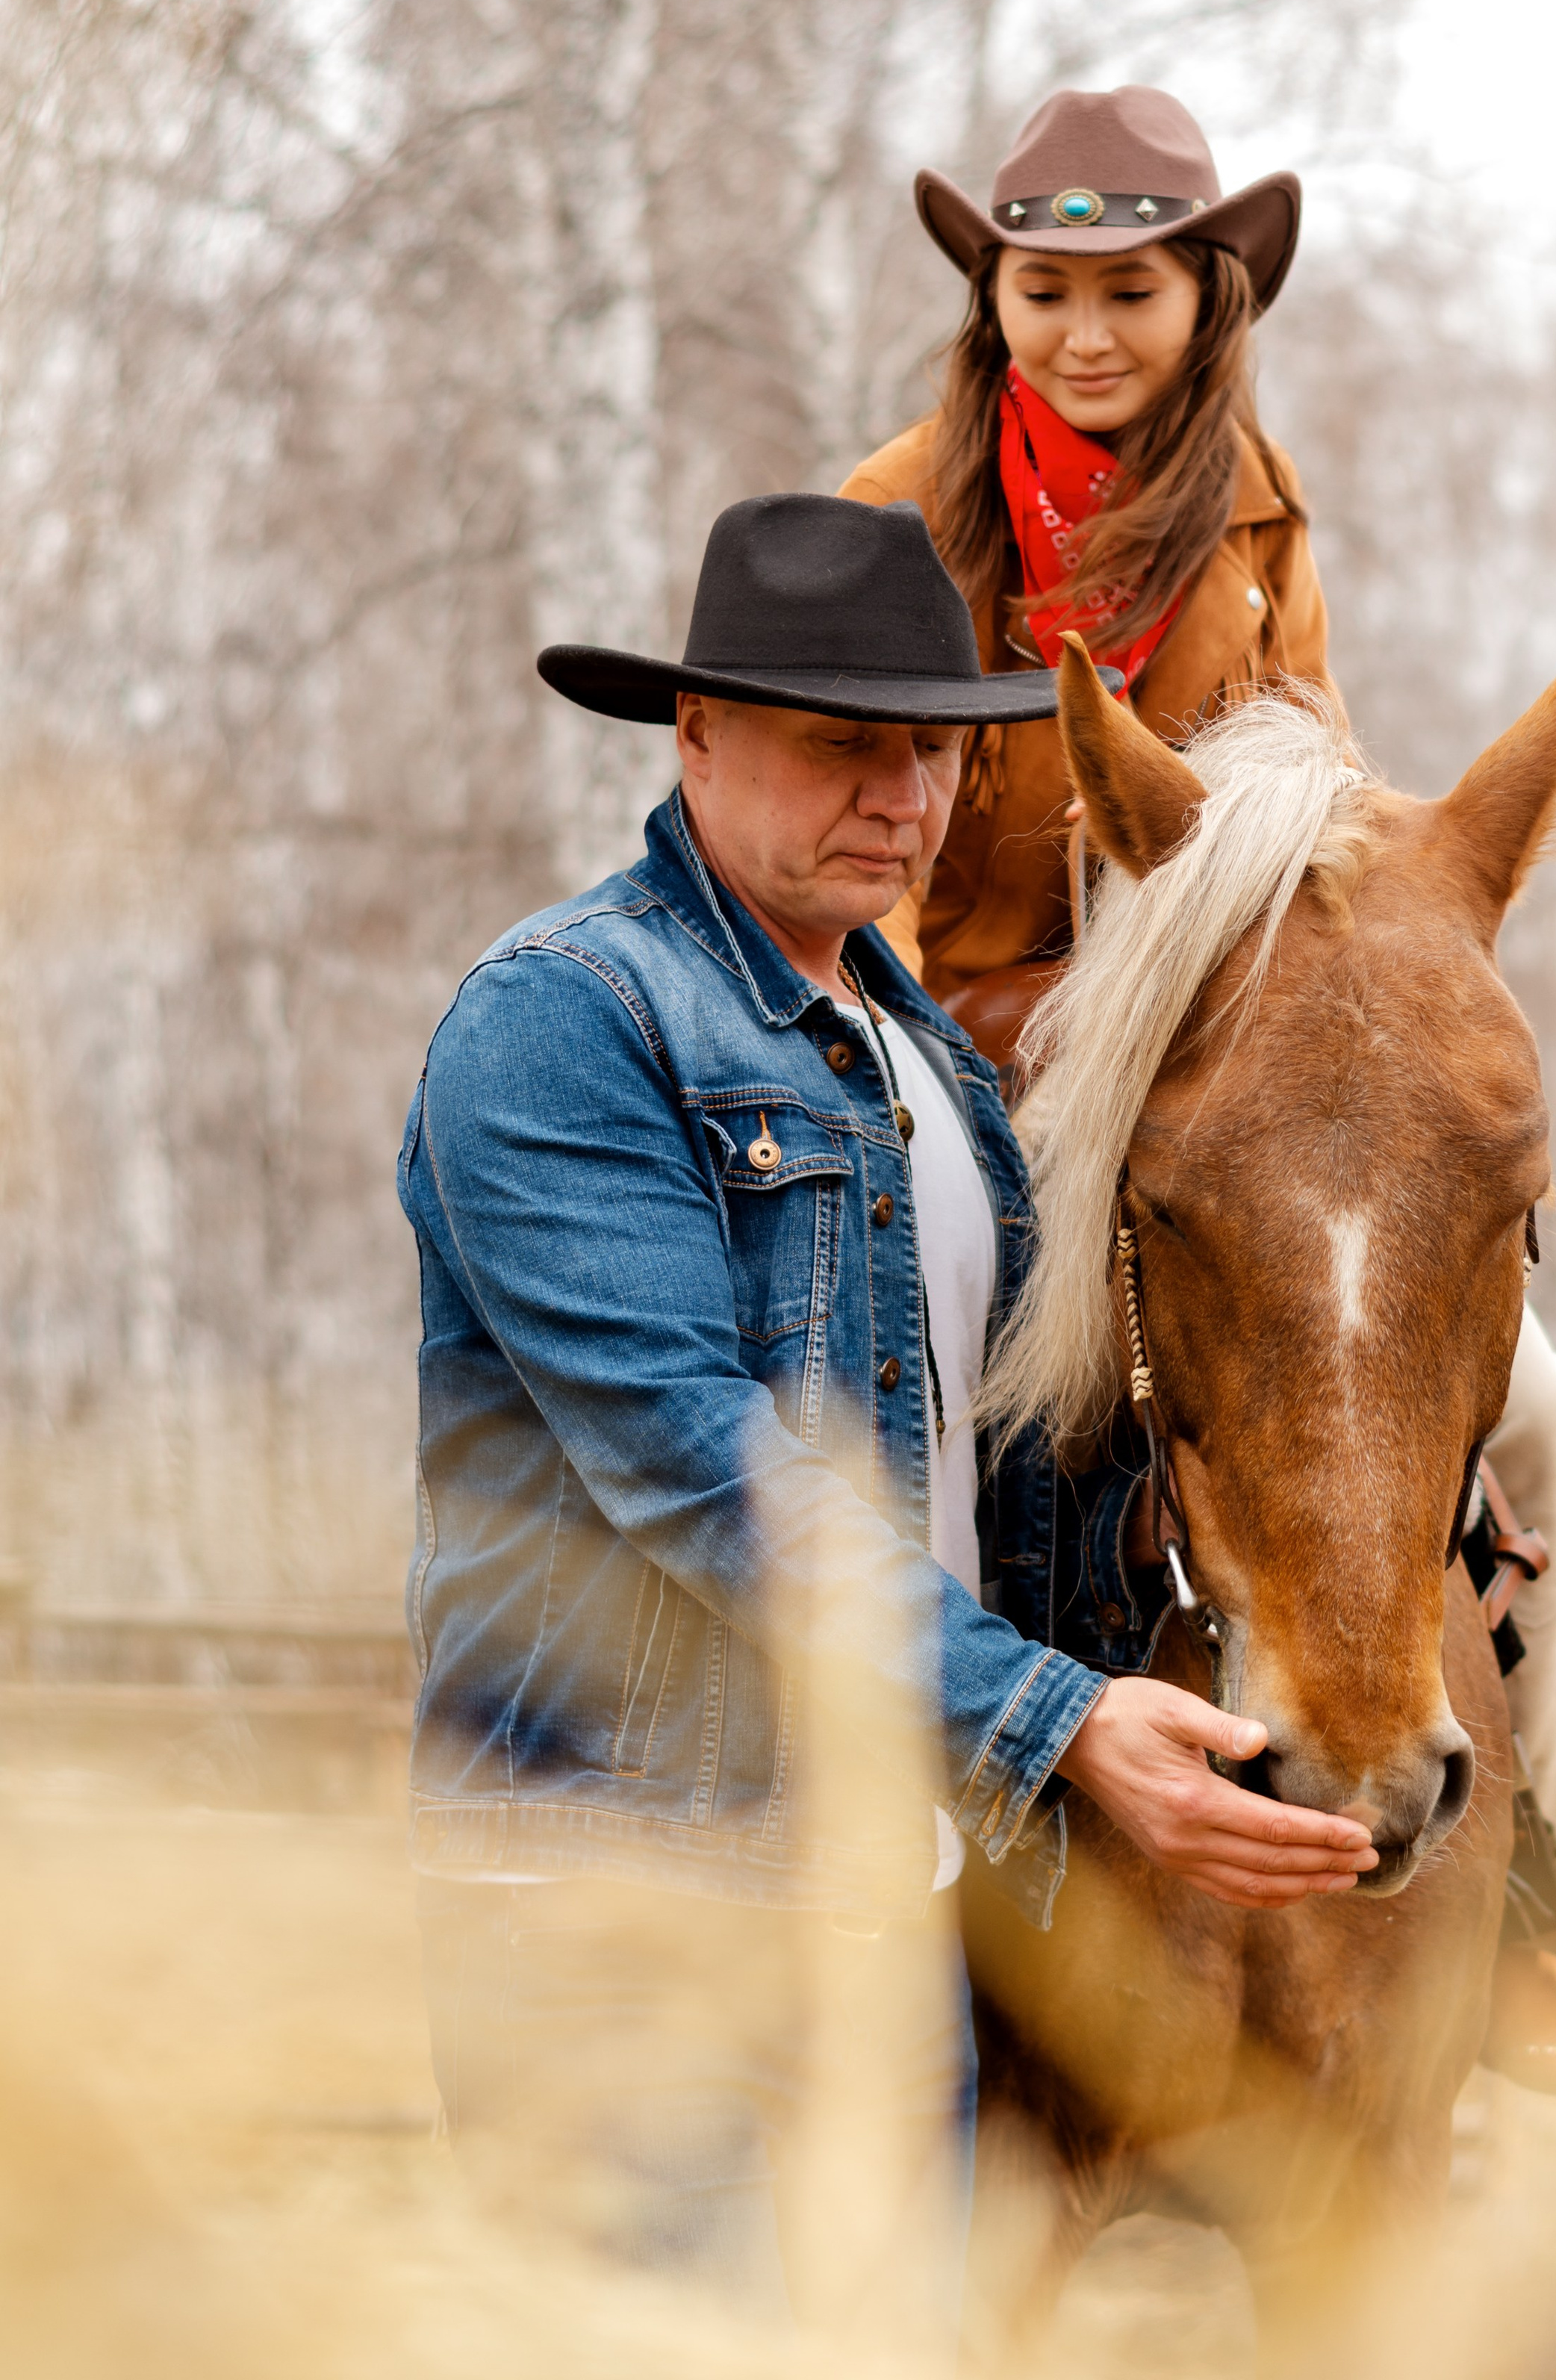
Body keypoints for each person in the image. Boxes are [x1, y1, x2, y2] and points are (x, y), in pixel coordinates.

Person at [397, 491, 1375, 2339]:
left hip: (892, 1898)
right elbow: (701, 1465)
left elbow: (1011, 1480)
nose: (904, 799)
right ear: (692, 733)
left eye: (931, 752)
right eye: (845, 744)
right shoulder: (566, 1021)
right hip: (629, 1904)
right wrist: (1061, 1723)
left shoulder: (929, 1065)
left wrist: (1330, 1520)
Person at [838, 85, 1556, 2093]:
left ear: (1210, 301)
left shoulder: (1261, 513)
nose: (1089, 330)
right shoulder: (898, 510)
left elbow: (1312, 792)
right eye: (1046, 289)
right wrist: (1010, 1030)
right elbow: (867, 850)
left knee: (1532, 1408)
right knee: (891, 1398)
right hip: (950, 1050)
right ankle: (855, 1875)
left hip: (1198, 1066)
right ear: (998, 300)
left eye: (1132, 288)